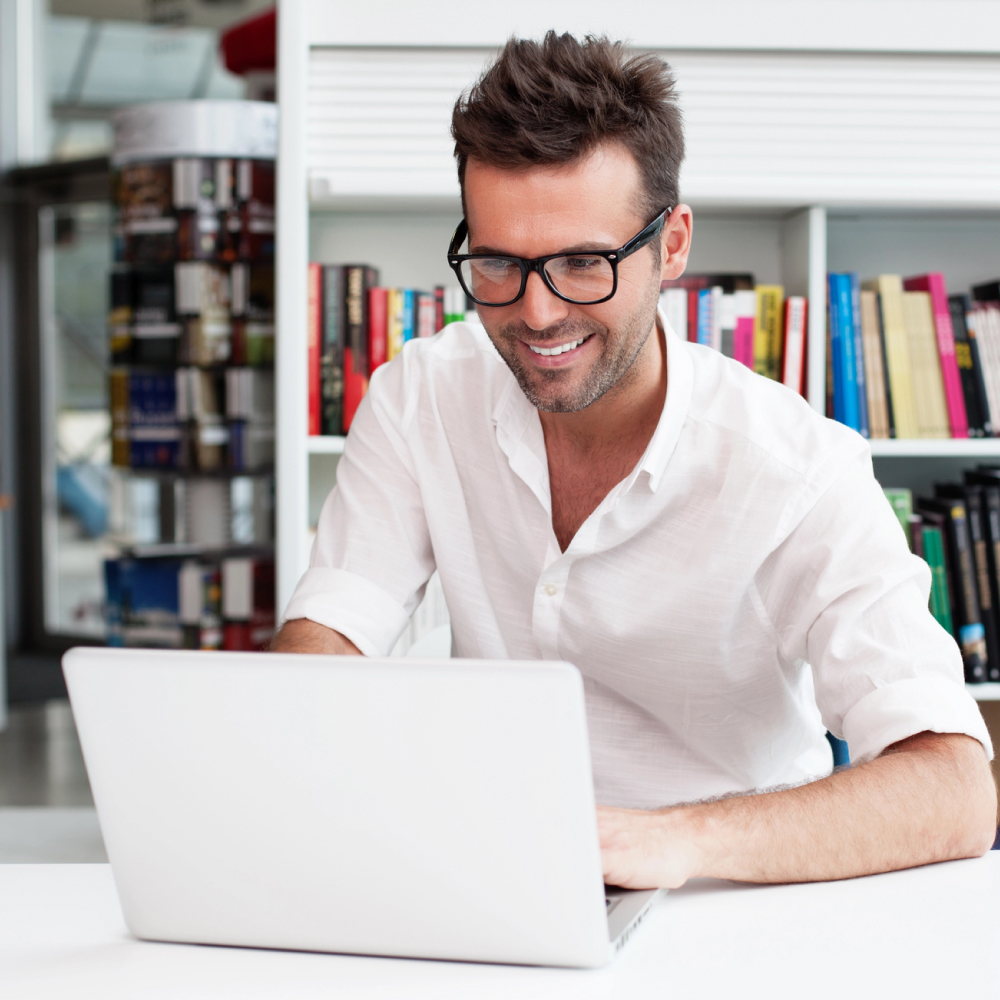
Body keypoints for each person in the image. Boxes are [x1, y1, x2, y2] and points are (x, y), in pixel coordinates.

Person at [274, 32, 997, 888]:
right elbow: (328, 633)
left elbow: (954, 789)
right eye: (500, 263)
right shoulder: (422, 397)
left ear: (673, 243)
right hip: (490, 882)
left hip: (735, 907)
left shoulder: (797, 470)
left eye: (585, 262)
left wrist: (664, 842)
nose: (537, 314)